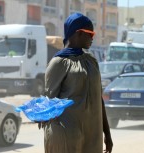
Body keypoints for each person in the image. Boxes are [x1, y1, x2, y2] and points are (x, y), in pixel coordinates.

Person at [41, 13, 113, 153]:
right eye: (90, 33)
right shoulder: (58, 63)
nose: (93, 38)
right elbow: (49, 101)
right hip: (67, 138)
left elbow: (99, 100)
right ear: (78, 33)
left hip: (92, 138)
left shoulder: (91, 61)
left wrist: (107, 134)